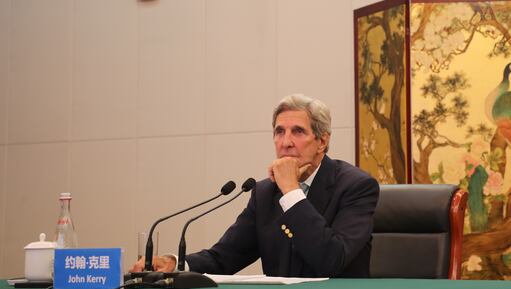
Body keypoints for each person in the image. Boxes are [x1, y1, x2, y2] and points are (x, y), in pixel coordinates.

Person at [131, 94, 380, 277]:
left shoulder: (356, 186)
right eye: (279, 132)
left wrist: (291, 192)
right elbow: (224, 258)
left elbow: (331, 260)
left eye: (298, 132)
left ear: (322, 141)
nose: (286, 142)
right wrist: (175, 263)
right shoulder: (264, 193)